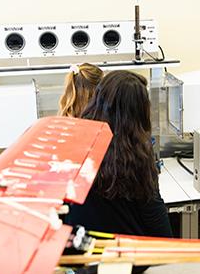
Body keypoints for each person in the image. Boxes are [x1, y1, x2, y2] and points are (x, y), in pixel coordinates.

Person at [64, 70, 173, 237]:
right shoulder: (138, 155)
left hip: (86, 249)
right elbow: (154, 216)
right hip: (126, 254)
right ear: (138, 111)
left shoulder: (73, 141)